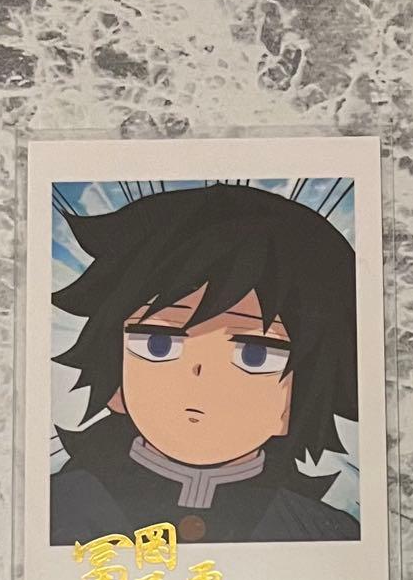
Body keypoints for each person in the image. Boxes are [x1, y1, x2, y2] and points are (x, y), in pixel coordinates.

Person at [50, 182, 360, 544]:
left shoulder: (321, 534)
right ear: (116, 380)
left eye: (253, 355)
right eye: (159, 344)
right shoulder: (58, 512)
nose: (200, 376)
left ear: (297, 398)